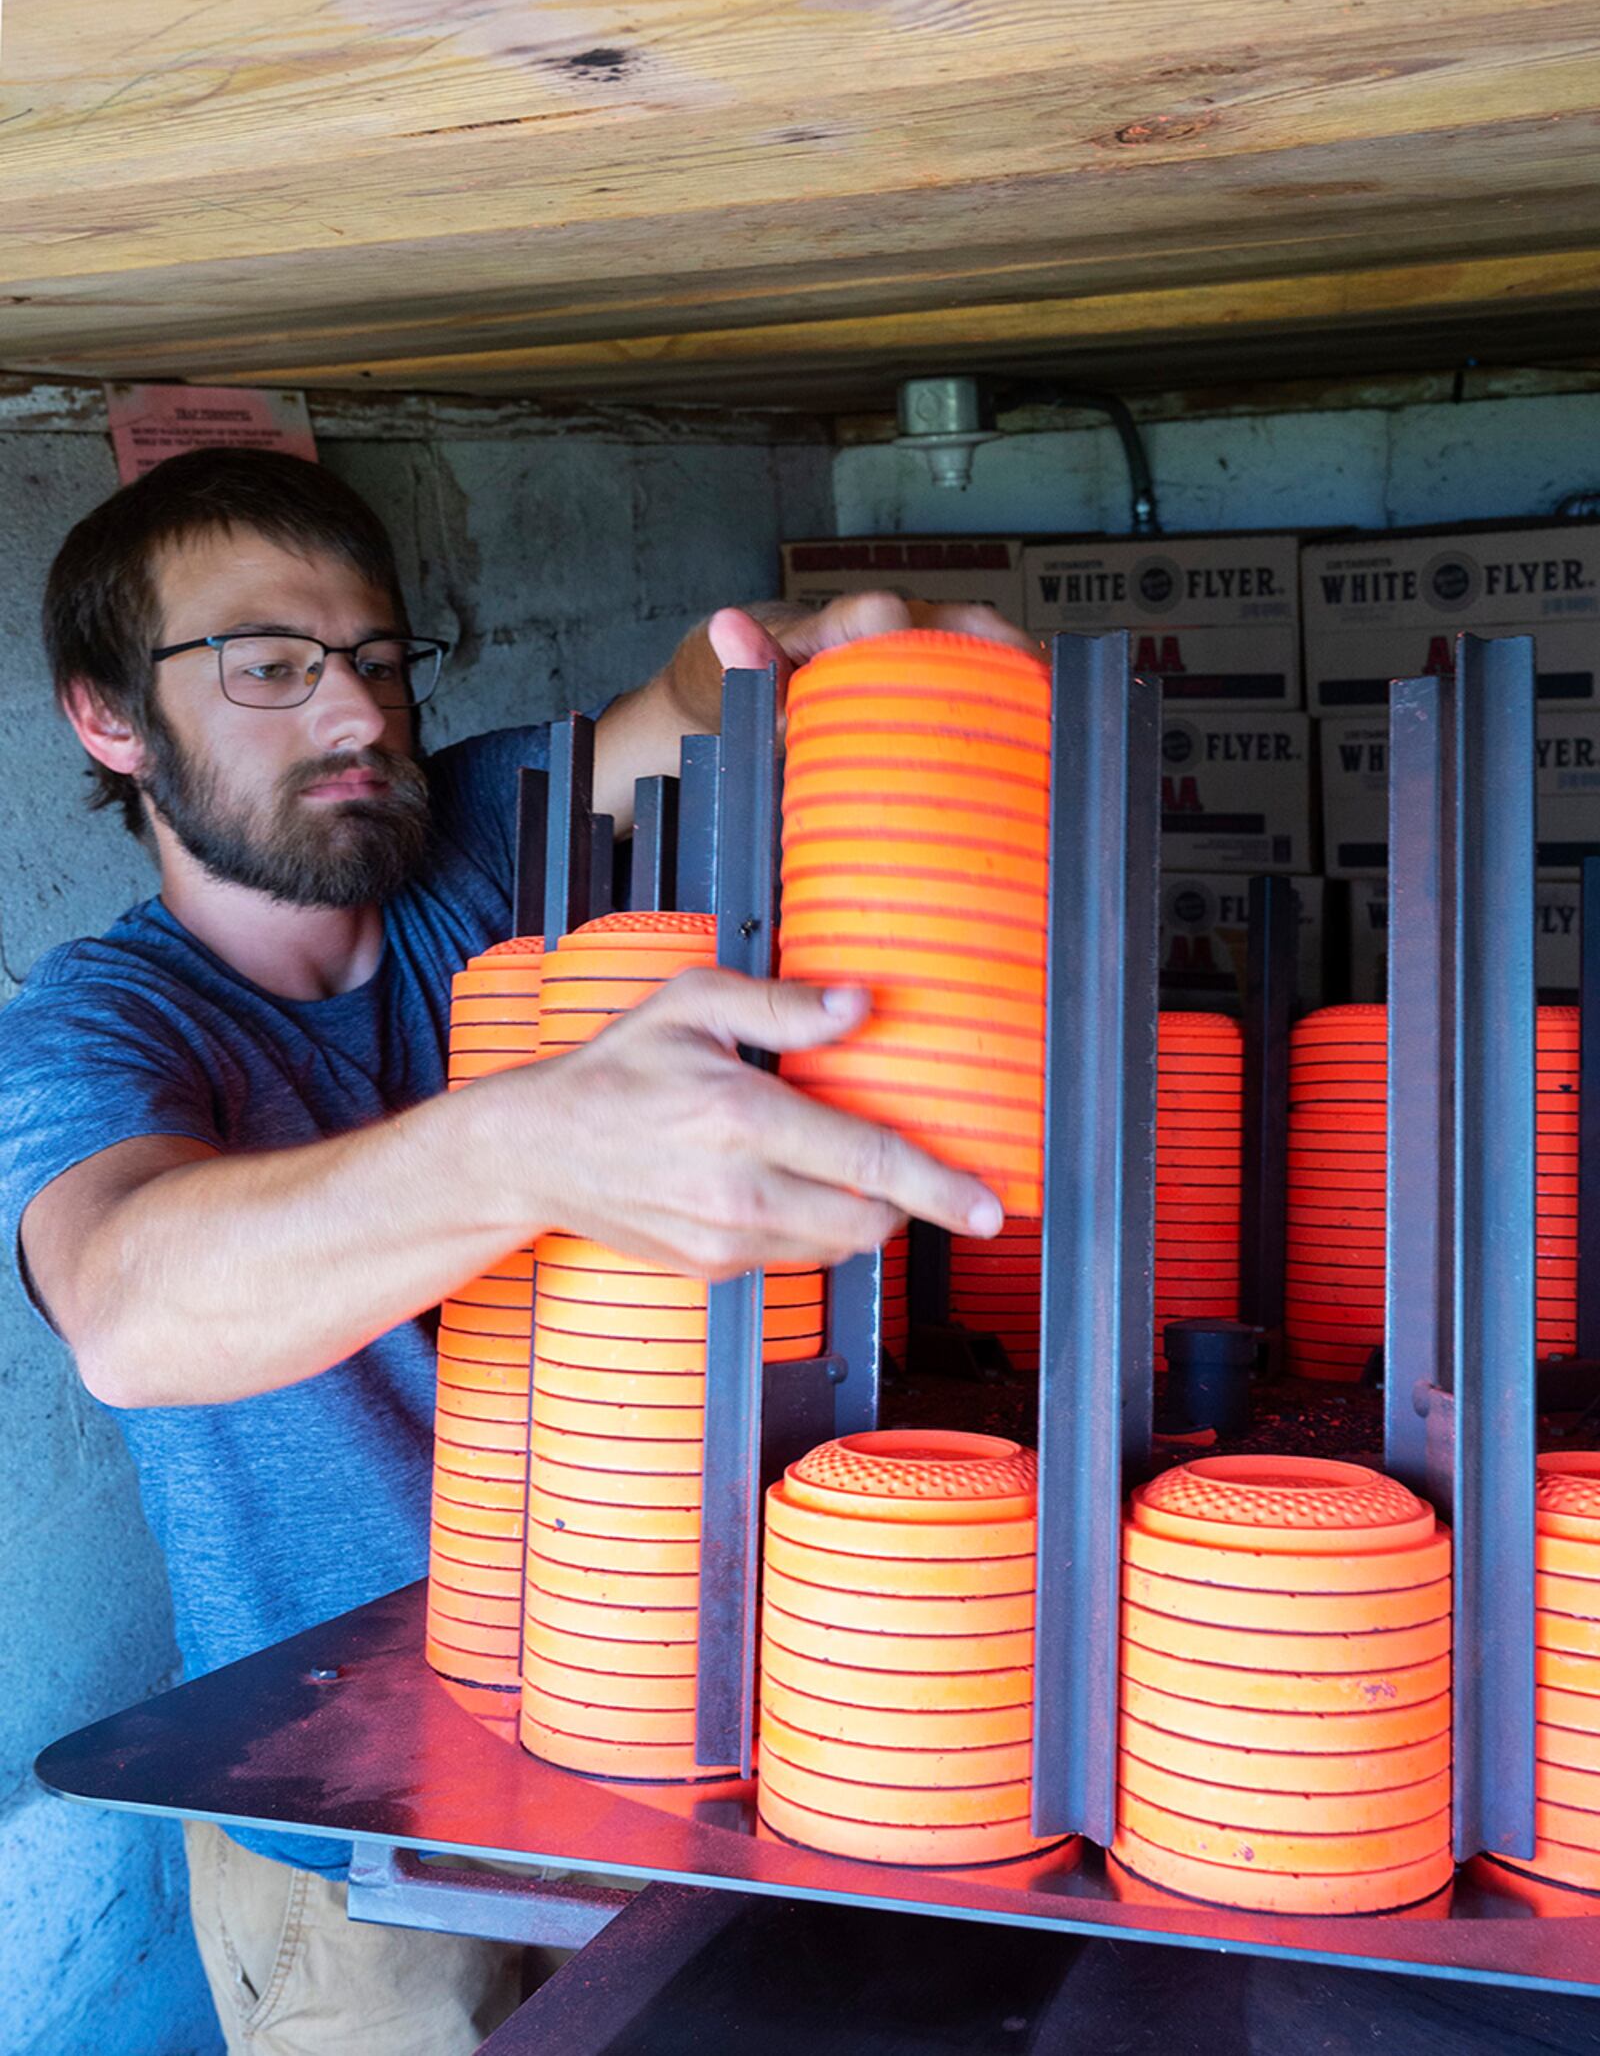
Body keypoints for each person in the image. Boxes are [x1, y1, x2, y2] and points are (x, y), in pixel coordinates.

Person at [1, 447, 1025, 2052]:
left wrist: (800, 643)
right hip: (361, 1869)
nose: (356, 717)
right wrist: (532, 1142)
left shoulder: (469, 852)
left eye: (381, 662)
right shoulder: (101, 1026)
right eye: (269, 666)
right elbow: (132, 1307)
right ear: (108, 720)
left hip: (641, 1763)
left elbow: (681, 702)